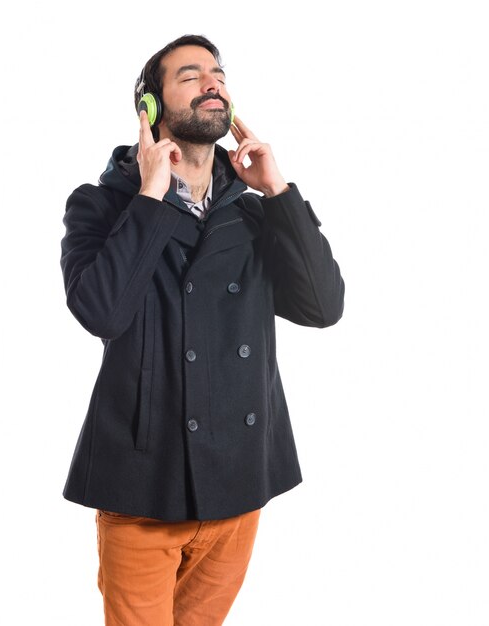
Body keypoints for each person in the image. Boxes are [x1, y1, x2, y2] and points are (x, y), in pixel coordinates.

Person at [60, 34, 345, 625]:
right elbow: (101, 312)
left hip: (238, 481)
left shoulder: (254, 209)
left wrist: (279, 191)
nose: (212, 82)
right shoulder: (101, 205)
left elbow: (323, 307)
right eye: (190, 75)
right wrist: (150, 196)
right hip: (142, 490)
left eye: (218, 73)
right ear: (150, 107)